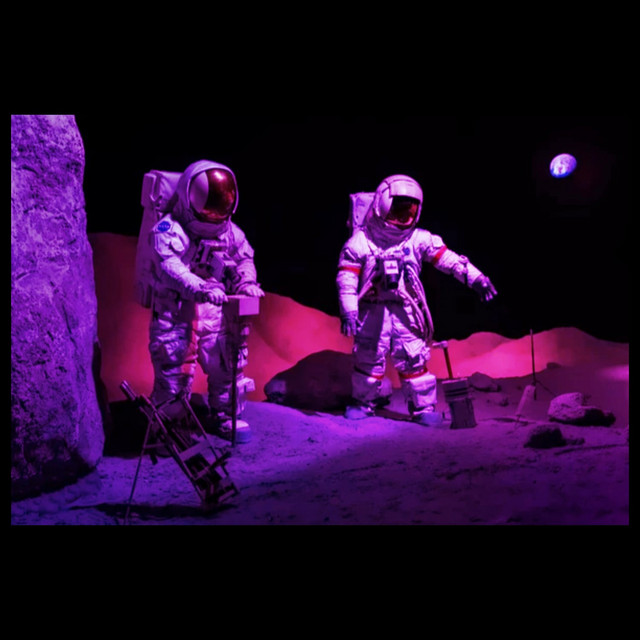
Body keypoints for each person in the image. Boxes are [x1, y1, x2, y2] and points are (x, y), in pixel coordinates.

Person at [336, 174, 496, 426]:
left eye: (408, 213)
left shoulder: (418, 239)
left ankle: (423, 408)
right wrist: (349, 311)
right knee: (368, 359)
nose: (402, 218)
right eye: (397, 211)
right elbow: (346, 279)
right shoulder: (361, 242)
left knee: (413, 359)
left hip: (406, 310)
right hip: (372, 311)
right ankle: (363, 404)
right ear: (381, 206)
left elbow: (450, 261)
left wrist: (476, 278)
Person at [148, 159, 264, 442]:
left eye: (221, 203)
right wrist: (199, 287)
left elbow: (244, 259)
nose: (215, 212)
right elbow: (169, 266)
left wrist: (246, 282)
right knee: (173, 373)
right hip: (176, 312)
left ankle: (223, 415)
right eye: (209, 204)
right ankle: (169, 428)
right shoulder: (169, 229)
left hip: (215, 311)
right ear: (190, 196)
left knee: (226, 366)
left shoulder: (229, 231)